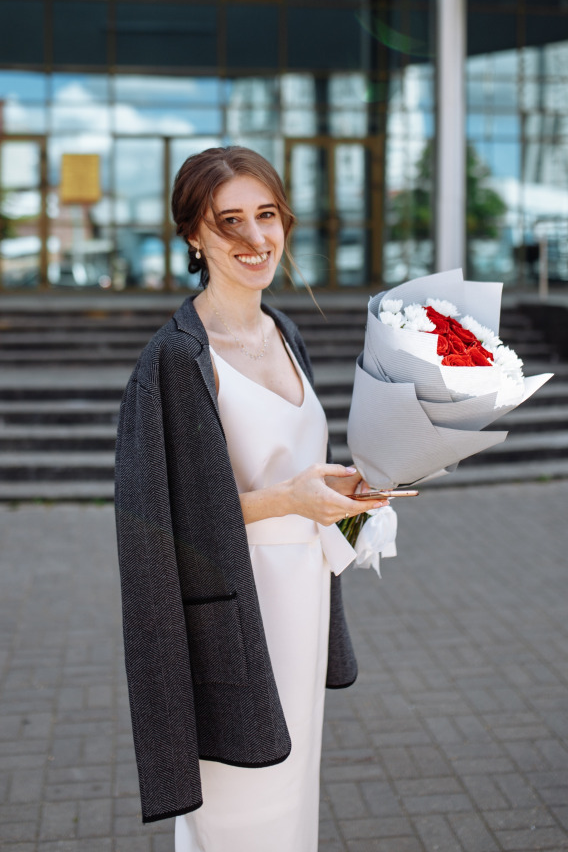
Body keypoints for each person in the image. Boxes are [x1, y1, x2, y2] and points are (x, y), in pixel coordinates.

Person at [114, 146, 387, 852]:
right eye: (227, 221)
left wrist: (349, 492)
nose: (255, 239)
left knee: (290, 805)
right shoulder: (175, 358)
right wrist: (292, 500)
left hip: (301, 599)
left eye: (266, 215)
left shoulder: (281, 332)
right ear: (193, 238)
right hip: (232, 612)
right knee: (241, 819)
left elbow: (298, 473)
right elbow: (157, 526)